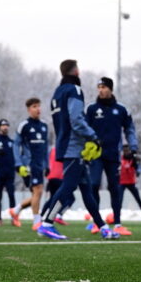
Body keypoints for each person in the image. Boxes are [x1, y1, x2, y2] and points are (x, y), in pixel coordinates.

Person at [37, 59, 117, 240]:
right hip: (74, 147)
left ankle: (103, 227)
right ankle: (47, 223)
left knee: (86, 190)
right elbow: (76, 119)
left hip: (64, 144)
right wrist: (93, 136)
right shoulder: (75, 90)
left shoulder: (57, 93)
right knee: (68, 186)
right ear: (76, 72)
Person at [85, 77, 139, 236]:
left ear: (110, 89)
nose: (101, 90)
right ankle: (97, 223)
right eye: (99, 87)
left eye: (103, 87)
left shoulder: (121, 110)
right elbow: (83, 129)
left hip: (113, 155)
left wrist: (133, 147)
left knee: (114, 188)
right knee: (94, 185)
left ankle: (117, 223)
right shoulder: (91, 109)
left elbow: (130, 129)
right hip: (95, 155)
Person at [11, 98, 49, 230]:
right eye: (34, 106)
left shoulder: (44, 126)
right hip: (28, 164)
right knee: (38, 191)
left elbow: (45, 147)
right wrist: (18, 164)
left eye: (39, 106)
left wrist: (47, 164)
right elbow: (15, 145)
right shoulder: (24, 126)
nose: (38, 109)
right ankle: (36, 221)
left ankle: (16, 210)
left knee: (37, 193)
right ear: (28, 109)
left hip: (39, 164)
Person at [119, 146, 141, 224]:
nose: (126, 152)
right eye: (124, 151)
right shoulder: (120, 159)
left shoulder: (133, 160)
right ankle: (117, 216)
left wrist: (138, 171)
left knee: (138, 199)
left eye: (127, 151)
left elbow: (138, 168)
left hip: (131, 183)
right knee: (119, 200)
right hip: (122, 182)